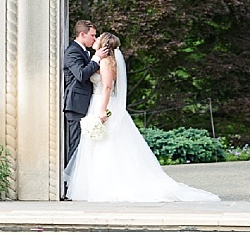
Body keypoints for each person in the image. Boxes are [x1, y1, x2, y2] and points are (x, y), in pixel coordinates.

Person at [64, 32, 220, 202]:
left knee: (107, 146)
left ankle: (109, 186)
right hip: (95, 103)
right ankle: (93, 186)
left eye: (98, 37)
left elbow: (107, 87)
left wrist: (102, 110)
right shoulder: (99, 60)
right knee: (96, 147)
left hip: (103, 105)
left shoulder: (107, 62)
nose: (95, 39)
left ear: (103, 44)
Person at [63, 20, 109, 169]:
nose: (94, 39)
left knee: (84, 147)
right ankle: (68, 183)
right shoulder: (72, 51)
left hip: (86, 104)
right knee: (76, 145)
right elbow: (81, 75)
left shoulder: (83, 51)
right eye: (92, 35)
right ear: (82, 34)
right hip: (76, 105)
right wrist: (96, 58)